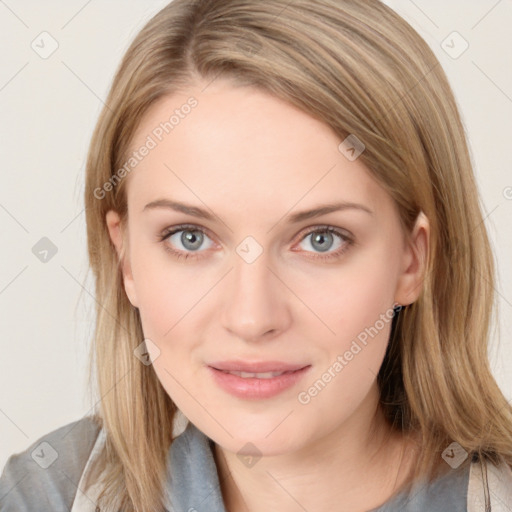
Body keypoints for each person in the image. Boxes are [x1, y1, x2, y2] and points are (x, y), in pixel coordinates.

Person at [1, 0, 512, 511]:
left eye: (321, 239)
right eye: (190, 237)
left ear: (412, 261)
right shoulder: (44, 495)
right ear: (126, 258)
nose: (252, 318)